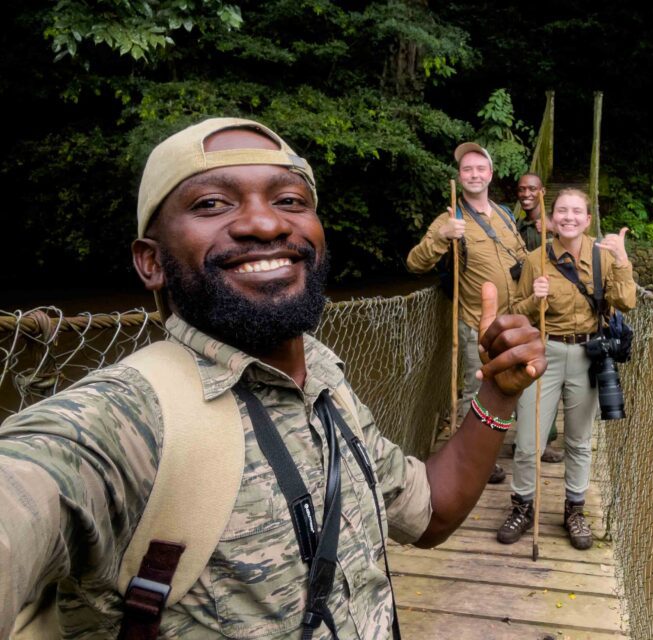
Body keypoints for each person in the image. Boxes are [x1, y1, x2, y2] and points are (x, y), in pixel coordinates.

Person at [0, 118, 546, 639]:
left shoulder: (325, 377)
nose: (266, 223)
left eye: (290, 201)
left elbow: (429, 513)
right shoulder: (121, 421)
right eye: (211, 203)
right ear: (151, 262)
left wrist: (496, 391)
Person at [498, 188, 636, 550]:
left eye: (577, 212)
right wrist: (535, 298)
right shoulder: (534, 259)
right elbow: (513, 312)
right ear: (552, 217)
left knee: (579, 441)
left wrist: (622, 260)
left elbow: (627, 301)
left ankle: (574, 509)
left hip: (587, 353)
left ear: (588, 219)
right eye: (562, 211)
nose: (569, 217)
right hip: (543, 351)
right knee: (528, 441)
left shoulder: (603, 257)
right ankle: (522, 506)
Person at [406, 143, 528, 484]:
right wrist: (443, 238)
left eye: (480, 169)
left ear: (490, 174)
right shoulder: (450, 219)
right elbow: (415, 263)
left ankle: (516, 444)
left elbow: (522, 257)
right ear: (459, 178)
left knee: (513, 385)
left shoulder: (504, 214)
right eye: (467, 170)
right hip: (477, 323)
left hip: (515, 320)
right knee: (477, 391)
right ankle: (476, 457)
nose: (474, 175)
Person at [514, 172, 563, 464]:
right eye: (521, 189)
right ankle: (526, 438)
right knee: (525, 375)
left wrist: (553, 229)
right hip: (526, 306)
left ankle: (545, 440)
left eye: (532, 189)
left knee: (549, 374)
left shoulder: (556, 223)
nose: (526, 194)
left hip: (552, 311)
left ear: (542, 191)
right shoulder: (515, 226)